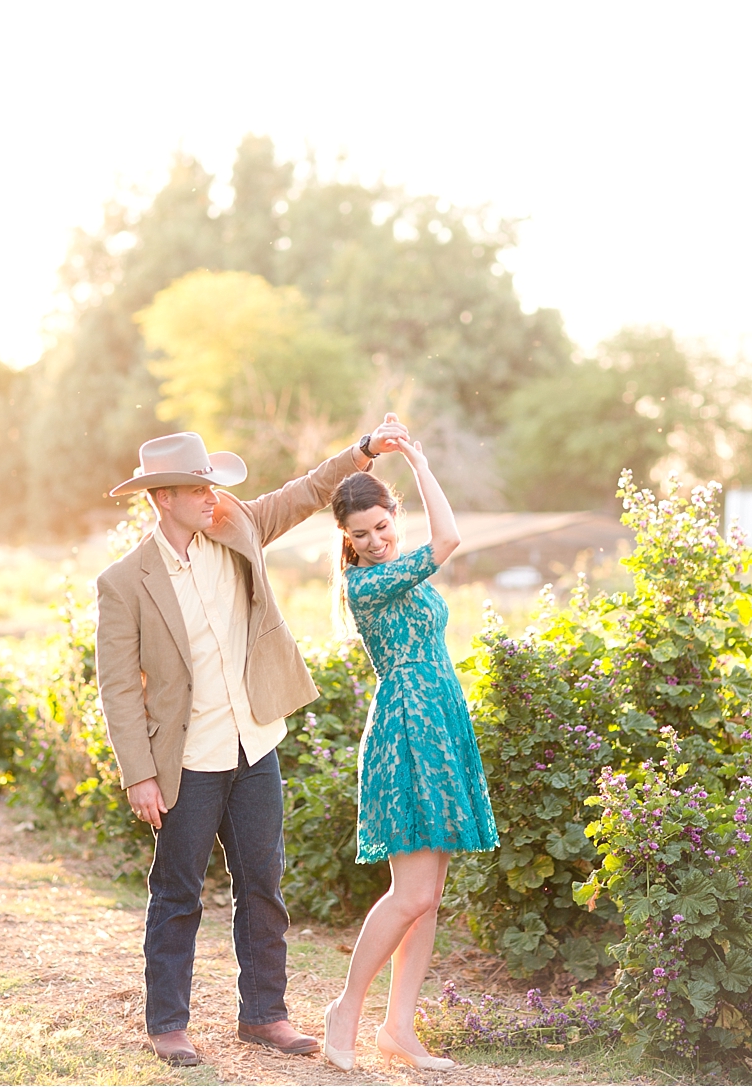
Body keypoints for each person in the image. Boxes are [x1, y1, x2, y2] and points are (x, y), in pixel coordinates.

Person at [96, 415, 411, 1066]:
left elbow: (305, 491)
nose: (211, 494)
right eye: (195, 487)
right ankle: (169, 1024)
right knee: (177, 894)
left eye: (211, 483)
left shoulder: (237, 525)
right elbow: (119, 688)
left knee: (263, 885)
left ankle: (265, 1014)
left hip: (253, 747)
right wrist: (139, 775)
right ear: (162, 497)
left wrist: (363, 452)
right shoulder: (125, 582)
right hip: (184, 762)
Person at [320, 436, 498, 1072]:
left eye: (382, 526)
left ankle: (398, 1028)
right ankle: (345, 1010)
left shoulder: (395, 568)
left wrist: (414, 465)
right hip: (405, 732)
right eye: (360, 533)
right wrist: (422, 462)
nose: (374, 540)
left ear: (392, 517)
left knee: (428, 894)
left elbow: (438, 545)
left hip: (441, 723)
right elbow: (447, 541)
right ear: (346, 538)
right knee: (412, 892)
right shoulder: (365, 584)